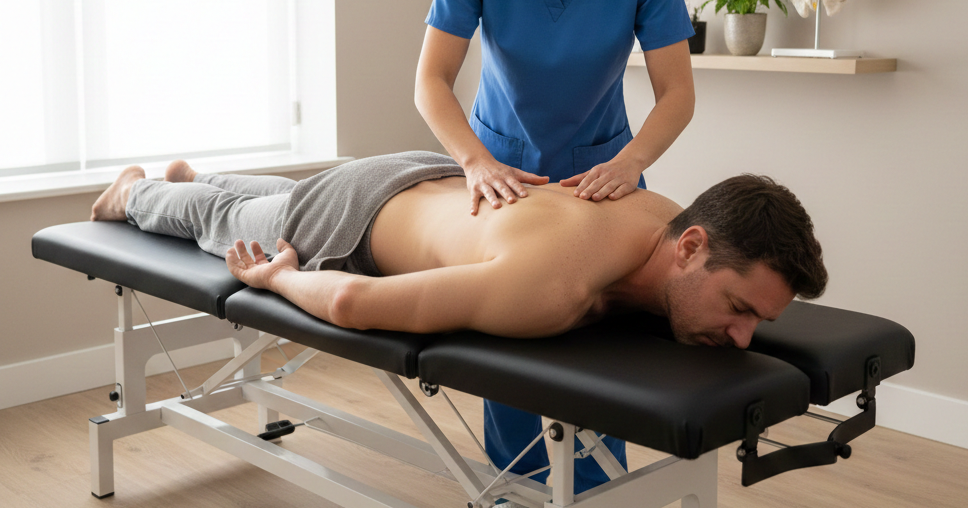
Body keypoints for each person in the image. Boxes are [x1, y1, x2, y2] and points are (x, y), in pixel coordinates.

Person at [414, 0, 696, 489]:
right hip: (502, 177)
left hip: (605, 179)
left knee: (601, 361)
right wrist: (475, 163)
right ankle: (515, 495)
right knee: (515, 364)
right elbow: (431, 81)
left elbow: (678, 94)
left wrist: (631, 164)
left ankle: (606, 497)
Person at [90, 152, 827, 346]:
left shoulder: (666, 216)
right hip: (355, 219)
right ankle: (139, 191)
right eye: (738, 309)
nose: (739, 336)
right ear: (692, 246)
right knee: (230, 220)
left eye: (755, 323)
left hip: (435, 182)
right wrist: (279, 282)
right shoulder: (550, 285)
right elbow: (351, 299)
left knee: (270, 197)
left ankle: (196, 174)